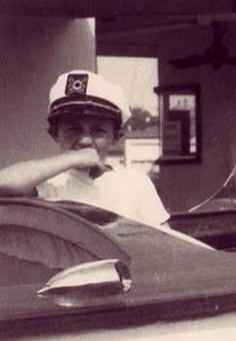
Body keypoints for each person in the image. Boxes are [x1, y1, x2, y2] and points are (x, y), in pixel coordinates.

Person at [0, 70, 170, 228]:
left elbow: (167, 244)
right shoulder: (47, 184)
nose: (85, 140)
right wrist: (72, 158)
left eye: (97, 131)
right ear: (54, 134)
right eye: (73, 130)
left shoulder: (135, 183)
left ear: (116, 137)